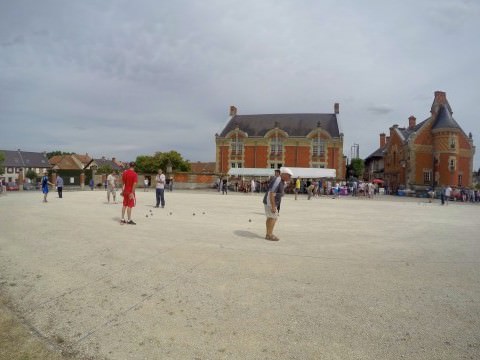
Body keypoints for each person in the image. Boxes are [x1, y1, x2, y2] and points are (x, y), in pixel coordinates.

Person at [263, 167, 293, 241]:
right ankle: (269, 235)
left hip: (271, 202)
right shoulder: (278, 180)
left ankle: (268, 234)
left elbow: (279, 191)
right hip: (270, 202)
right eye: (289, 175)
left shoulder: (281, 181)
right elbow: (272, 193)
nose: (290, 177)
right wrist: (273, 206)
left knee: (270, 217)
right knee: (273, 217)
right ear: (284, 174)